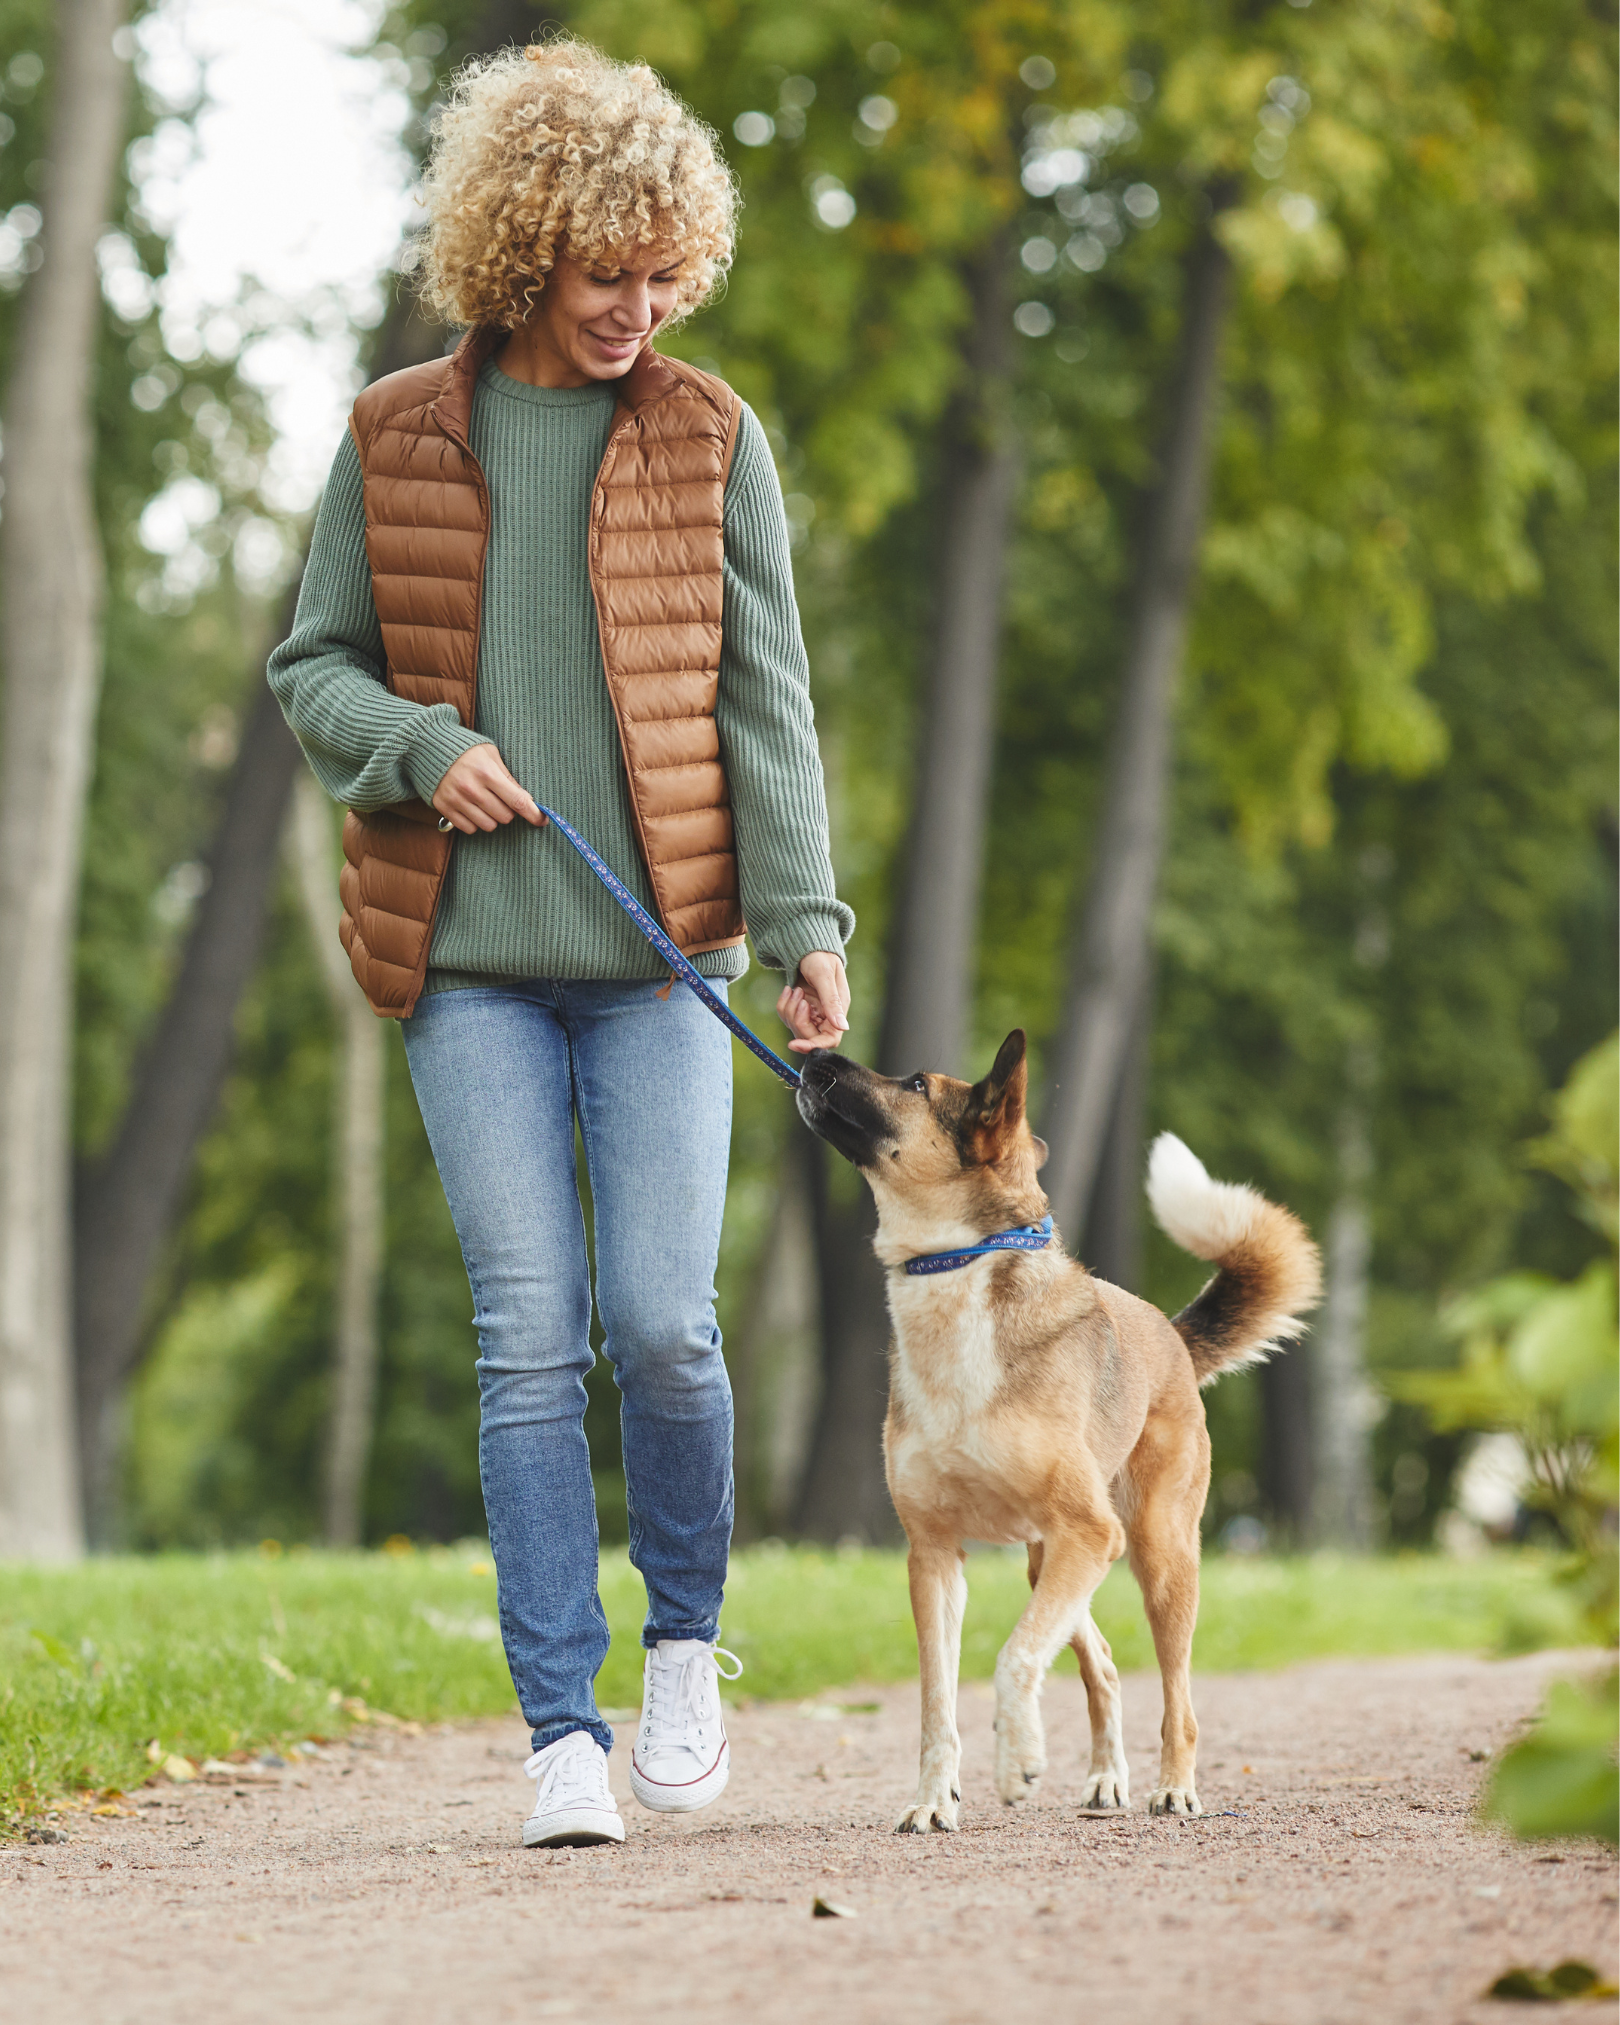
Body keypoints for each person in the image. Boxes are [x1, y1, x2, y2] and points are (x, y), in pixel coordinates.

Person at [268, 38, 852, 1849]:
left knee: (665, 1329)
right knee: (527, 1338)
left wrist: (808, 921)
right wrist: (422, 748)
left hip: (667, 960)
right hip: (467, 966)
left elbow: (769, 702)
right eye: (612, 275)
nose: (641, 308)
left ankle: (685, 1644)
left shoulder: (711, 435)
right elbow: (311, 665)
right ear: (526, 254)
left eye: (669, 274)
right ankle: (557, 1733)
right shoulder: (395, 433)